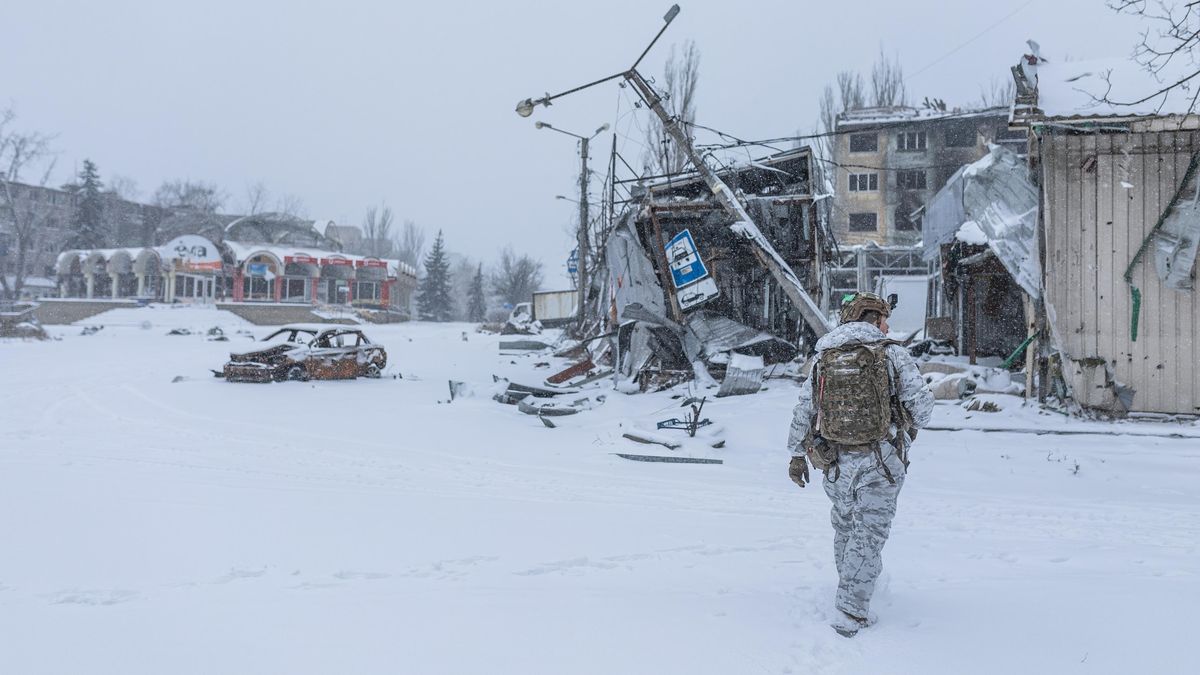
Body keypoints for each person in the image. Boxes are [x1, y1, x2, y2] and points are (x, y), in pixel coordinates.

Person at [786, 291, 934, 637]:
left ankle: (851, 585)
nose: (888, 325)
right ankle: (851, 610)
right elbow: (923, 411)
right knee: (869, 535)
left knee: (847, 528)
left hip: (836, 462)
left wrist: (795, 454)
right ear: (875, 318)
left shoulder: (825, 355)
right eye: (885, 318)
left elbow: (804, 409)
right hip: (880, 461)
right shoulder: (892, 353)